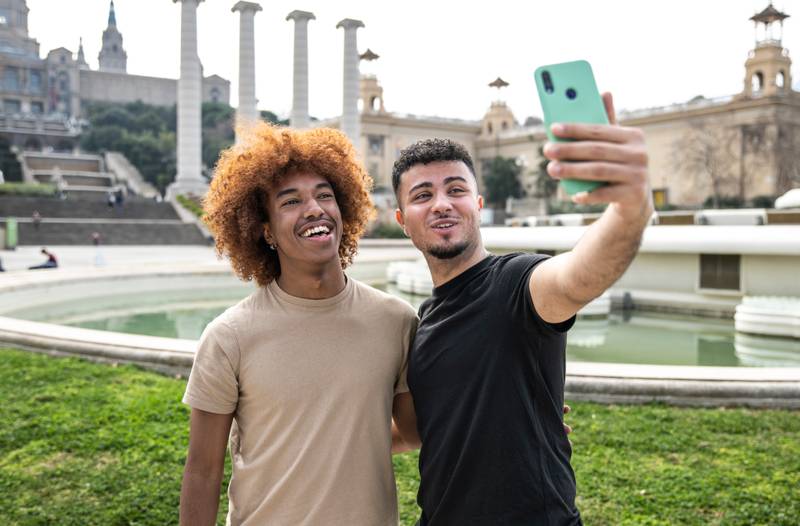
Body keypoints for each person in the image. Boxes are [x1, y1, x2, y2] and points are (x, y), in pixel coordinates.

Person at [392, 93, 652, 525]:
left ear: (477, 205)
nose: (441, 203)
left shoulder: (516, 282)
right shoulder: (424, 319)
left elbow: (577, 276)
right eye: (423, 194)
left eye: (456, 190)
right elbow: (421, 430)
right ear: (403, 220)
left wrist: (630, 206)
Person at [179, 124, 419, 525]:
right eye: (291, 201)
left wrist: (524, 415)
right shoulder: (229, 337)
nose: (314, 209)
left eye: (325, 195)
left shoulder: (396, 321)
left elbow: (414, 431)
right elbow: (203, 473)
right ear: (266, 230)